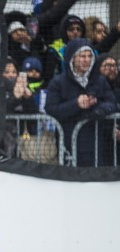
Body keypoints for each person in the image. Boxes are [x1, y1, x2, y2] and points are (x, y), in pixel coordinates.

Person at [45, 38, 117, 167]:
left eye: (89, 56)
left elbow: (112, 103)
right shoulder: (58, 82)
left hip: (97, 145)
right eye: (82, 56)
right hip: (69, 144)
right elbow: (51, 108)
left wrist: (99, 109)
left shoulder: (99, 80)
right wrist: (76, 104)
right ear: (72, 57)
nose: (87, 60)